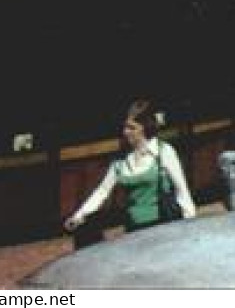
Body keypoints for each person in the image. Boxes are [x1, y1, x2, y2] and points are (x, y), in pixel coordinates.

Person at [65, 100, 196, 233]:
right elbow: (102, 191)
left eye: (131, 128)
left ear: (145, 128)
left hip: (163, 227)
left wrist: (189, 225)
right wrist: (79, 215)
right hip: (133, 230)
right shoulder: (120, 160)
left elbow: (182, 191)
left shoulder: (164, 152)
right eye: (125, 127)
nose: (125, 132)